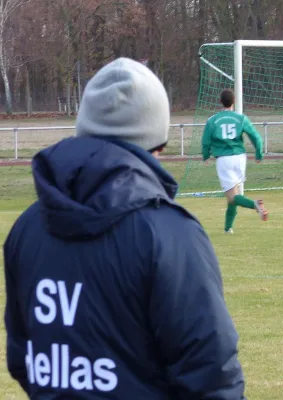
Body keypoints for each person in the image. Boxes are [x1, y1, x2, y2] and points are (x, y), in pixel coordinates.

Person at [3, 58, 246, 399]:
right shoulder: (168, 233)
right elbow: (211, 376)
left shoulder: (27, 228)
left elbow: (23, 356)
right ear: (158, 141)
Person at [202, 89, 268, 234]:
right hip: (240, 158)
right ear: (234, 102)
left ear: (220, 101)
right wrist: (259, 153)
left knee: (232, 196)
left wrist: (205, 155)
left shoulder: (212, 120)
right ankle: (227, 228)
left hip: (224, 160)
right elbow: (256, 137)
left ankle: (254, 205)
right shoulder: (241, 118)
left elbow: (206, 141)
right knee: (233, 196)